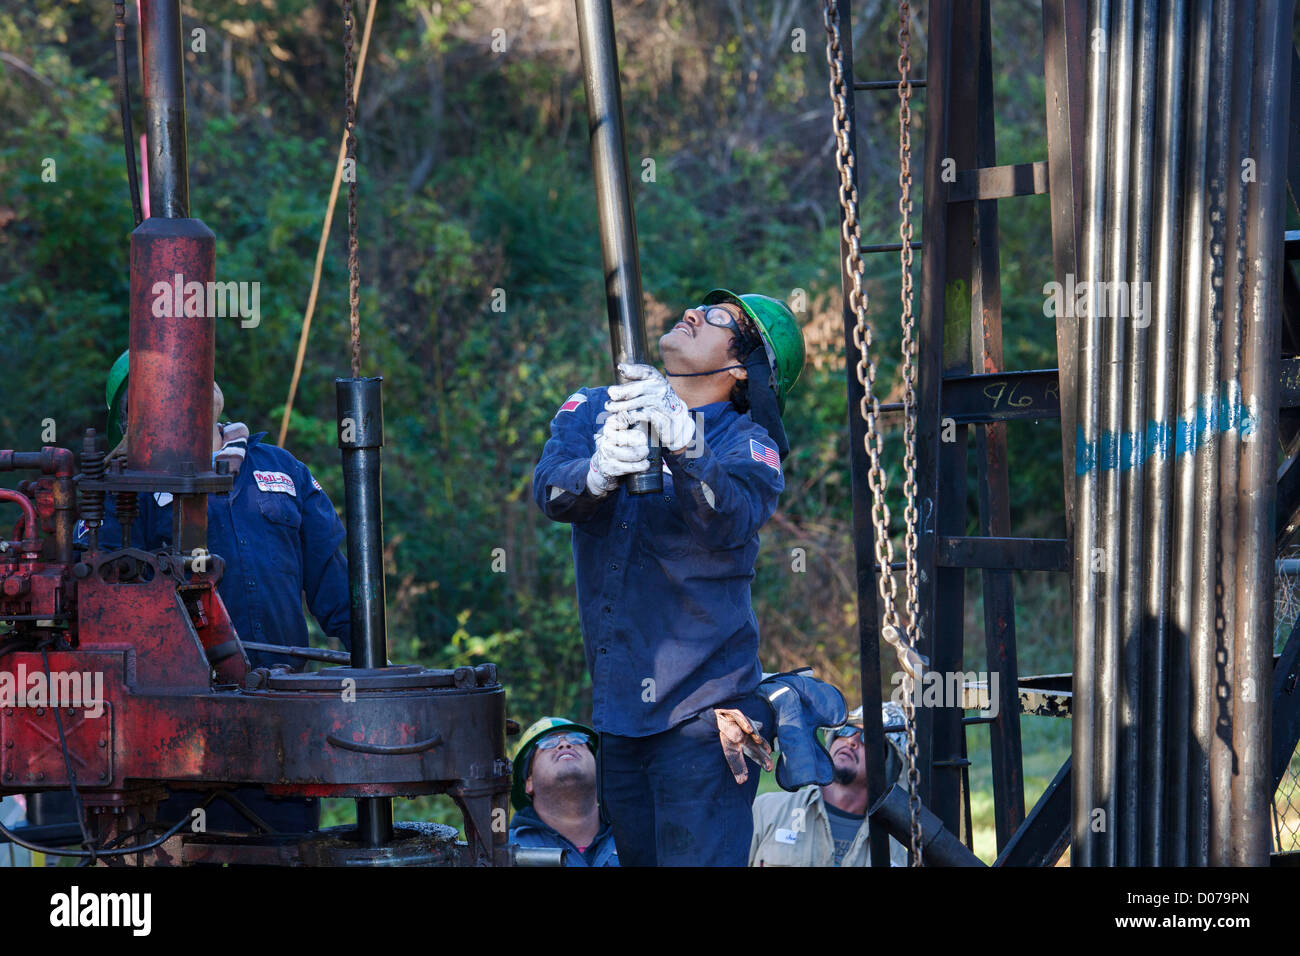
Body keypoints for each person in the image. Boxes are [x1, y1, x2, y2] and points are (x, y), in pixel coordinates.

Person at [532, 289, 805, 866]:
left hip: (706, 720)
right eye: (697, 307)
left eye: (716, 319)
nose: (691, 314)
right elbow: (554, 491)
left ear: (737, 369)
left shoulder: (747, 444)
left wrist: (684, 443)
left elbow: (725, 516)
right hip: (620, 716)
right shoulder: (594, 407)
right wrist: (599, 472)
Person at [81, 351, 352, 833]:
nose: (184, 388)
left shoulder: (282, 471)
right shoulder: (126, 489)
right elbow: (102, 602)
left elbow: (337, 589)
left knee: (283, 851)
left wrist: (372, 667)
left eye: (189, 374)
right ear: (131, 414)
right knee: (176, 850)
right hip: (174, 732)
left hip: (280, 723)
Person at [749, 704, 910, 867]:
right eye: (846, 730)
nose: (851, 741)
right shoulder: (766, 811)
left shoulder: (898, 854)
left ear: (889, 766)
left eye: (868, 739)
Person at [507, 717, 618, 867]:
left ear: (599, 769)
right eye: (547, 743)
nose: (564, 744)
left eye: (576, 739)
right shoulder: (506, 851)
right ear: (529, 782)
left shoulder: (638, 835)